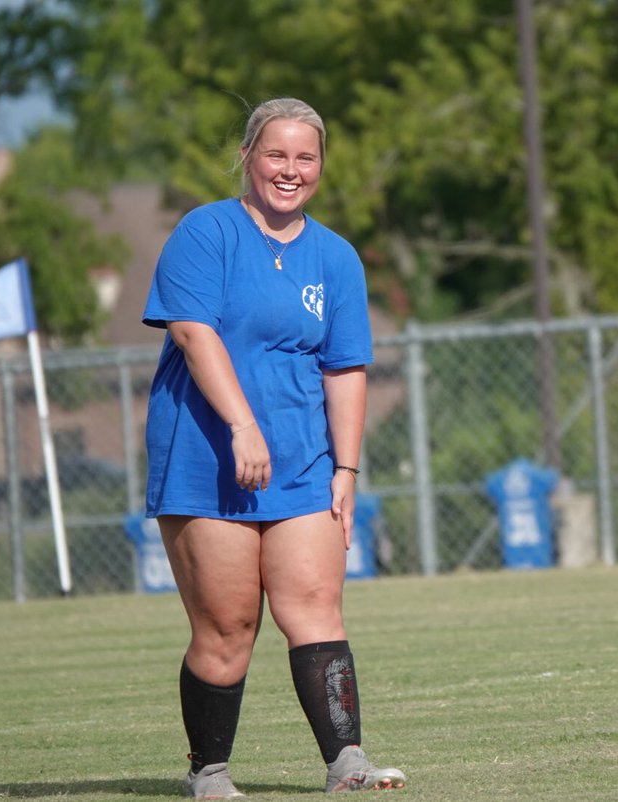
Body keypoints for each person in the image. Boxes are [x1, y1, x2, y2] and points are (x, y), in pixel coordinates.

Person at [142, 97, 407, 799]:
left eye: (305, 158)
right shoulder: (206, 232)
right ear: (248, 157)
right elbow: (193, 333)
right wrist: (241, 424)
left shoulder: (336, 257)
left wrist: (346, 467)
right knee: (228, 627)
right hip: (207, 456)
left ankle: (347, 763)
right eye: (276, 155)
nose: (290, 171)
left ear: (320, 165)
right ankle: (210, 771)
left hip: (303, 461)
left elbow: (346, 368)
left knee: (315, 606)